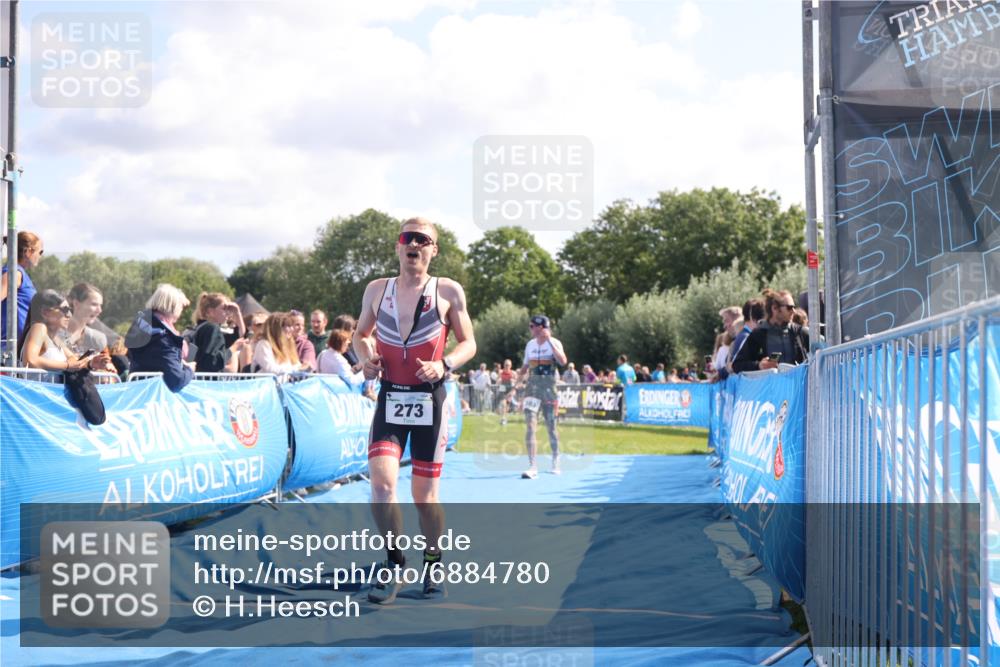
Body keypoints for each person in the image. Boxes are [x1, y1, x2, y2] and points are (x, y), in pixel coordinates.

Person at [353, 216, 476, 604]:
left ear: (433, 250)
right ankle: (393, 562)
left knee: (424, 496)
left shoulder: (448, 291)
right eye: (408, 238)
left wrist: (446, 365)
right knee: (382, 485)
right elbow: (360, 335)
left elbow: (469, 342)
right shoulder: (377, 289)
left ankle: (433, 560)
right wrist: (367, 357)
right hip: (390, 397)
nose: (415, 244)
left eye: (423, 240)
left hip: (430, 400)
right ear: (398, 246)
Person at [518, 314, 567, 479]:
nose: (530, 329)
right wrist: (516, 386)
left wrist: (550, 341)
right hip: (532, 390)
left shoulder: (554, 343)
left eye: (532, 326)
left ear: (541, 327)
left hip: (549, 390)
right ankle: (532, 466)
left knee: (551, 427)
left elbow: (563, 361)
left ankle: (556, 459)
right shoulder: (529, 345)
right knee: (530, 426)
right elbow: (525, 367)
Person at [124, 284, 196, 392]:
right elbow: (176, 381)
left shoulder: (142, 326)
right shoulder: (163, 337)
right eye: (181, 306)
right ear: (173, 306)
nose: (181, 310)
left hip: (136, 393)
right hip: (156, 398)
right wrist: (189, 369)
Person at [18, 290, 106, 374]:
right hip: (37, 389)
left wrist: (90, 364)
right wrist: (67, 365)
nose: (69, 315)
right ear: (45, 312)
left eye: (70, 310)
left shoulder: (55, 338)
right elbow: (30, 360)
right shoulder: (39, 328)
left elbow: (74, 361)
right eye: (65, 310)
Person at [732, 289, 810, 372]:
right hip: (771, 384)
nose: (794, 311)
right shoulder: (758, 334)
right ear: (775, 308)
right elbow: (737, 365)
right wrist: (759, 365)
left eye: (794, 307)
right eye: (789, 307)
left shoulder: (800, 332)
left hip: (797, 384)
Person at [1, 231, 42, 350]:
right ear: (28, 252)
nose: (40, 256)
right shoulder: (14, 273)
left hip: (21, 346)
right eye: (40, 252)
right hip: (10, 349)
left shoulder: (19, 273)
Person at [62, 283, 116, 373]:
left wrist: (106, 370)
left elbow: (111, 373)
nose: (99, 310)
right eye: (94, 304)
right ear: (76, 303)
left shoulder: (97, 339)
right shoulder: (53, 333)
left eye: (100, 305)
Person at [192, 293, 246, 373]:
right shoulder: (212, 328)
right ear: (210, 311)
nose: (228, 312)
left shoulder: (202, 327)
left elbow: (240, 334)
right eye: (224, 308)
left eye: (229, 309)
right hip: (208, 382)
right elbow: (212, 361)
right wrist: (233, 348)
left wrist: (237, 312)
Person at [496, 358, 517, 425]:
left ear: (510, 366)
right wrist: (499, 381)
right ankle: (503, 418)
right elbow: (497, 380)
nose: (507, 366)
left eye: (508, 365)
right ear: (504, 365)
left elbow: (517, 382)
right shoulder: (501, 372)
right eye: (506, 365)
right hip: (503, 388)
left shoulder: (513, 373)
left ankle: (505, 418)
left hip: (510, 389)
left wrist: (513, 380)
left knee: (507, 405)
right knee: (503, 403)